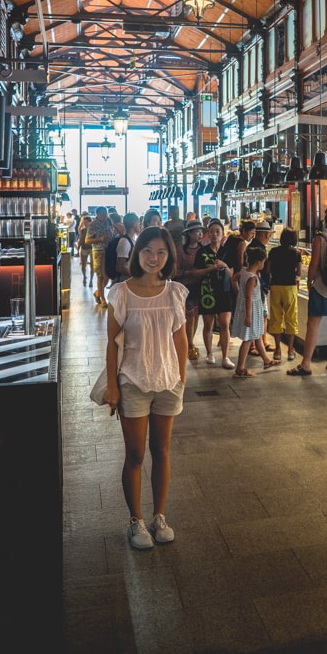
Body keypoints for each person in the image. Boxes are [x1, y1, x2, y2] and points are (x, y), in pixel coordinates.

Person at [102, 225, 188, 550]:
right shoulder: (122, 293)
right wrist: (112, 385)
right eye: (148, 251)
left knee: (162, 452)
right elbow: (112, 343)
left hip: (167, 382)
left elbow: (179, 336)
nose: (154, 258)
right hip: (133, 381)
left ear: (169, 256)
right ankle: (135, 520)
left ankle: (159, 516)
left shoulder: (175, 291)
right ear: (138, 253)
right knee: (136, 454)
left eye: (161, 252)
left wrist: (181, 376)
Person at [287, 208, 327, 376]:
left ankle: (306, 363)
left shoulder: (319, 239)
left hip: (322, 289)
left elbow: (314, 265)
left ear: (325, 223)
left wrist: (309, 283)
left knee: (313, 326)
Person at [230, 244, 281, 377]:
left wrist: (237, 292)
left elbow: (233, 279)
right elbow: (248, 297)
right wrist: (248, 315)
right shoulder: (252, 278)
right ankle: (240, 368)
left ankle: (267, 360)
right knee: (248, 339)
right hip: (251, 311)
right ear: (259, 262)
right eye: (263, 261)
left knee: (257, 336)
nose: (264, 264)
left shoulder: (243, 271)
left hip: (249, 310)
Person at [193, 218, 235, 369]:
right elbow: (195, 273)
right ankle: (210, 353)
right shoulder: (202, 252)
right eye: (211, 232)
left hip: (224, 291)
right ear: (207, 234)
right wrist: (209, 269)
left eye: (217, 231)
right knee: (208, 324)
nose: (214, 234)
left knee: (225, 324)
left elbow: (233, 274)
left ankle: (225, 357)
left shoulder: (227, 252)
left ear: (223, 234)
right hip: (207, 292)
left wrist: (224, 266)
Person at [266, 227, 302, 362]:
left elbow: (268, 269)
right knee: (291, 318)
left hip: (275, 286)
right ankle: (291, 350)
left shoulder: (274, 251)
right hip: (290, 288)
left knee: (276, 318)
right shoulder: (296, 252)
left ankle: (277, 350)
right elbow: (298, 273)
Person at [174, 219, 204, 361]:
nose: (200, 234)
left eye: (201, 232)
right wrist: (190, 272)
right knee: (189, 316)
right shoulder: (181, 250)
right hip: (185, 287)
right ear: (190, 234)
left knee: (197, 315)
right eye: (197, 231)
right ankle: (189, 345)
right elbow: (175, 272)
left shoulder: (203, 249)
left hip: (200, 286)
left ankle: (190, 343)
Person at [248, 220, 274, 353]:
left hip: (261, 286)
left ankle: (263, 342)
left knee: (263, 314)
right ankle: (253, 345)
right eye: (268, 235)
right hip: (258, 286)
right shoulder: (257, 248)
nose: (269, 238)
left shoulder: (256, 246)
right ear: (263, 234)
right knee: (257, 316)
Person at [86, 206, 114, 307]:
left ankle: (98, 293)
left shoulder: (108, 222)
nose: (104, 215)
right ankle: (103, 299)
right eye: (102, 213)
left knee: (107, 275)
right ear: (98, 214)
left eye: (105, 213)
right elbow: (87, 240)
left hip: (109, 250)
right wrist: (100, 239)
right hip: (98, 251)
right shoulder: (93, 224)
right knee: (101, 276)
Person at [114, 212, 141, 283]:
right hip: (125, 280)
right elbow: (120, 267)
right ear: (134, 224)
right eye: (138, 223)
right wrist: (135, 275)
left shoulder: (132, 240)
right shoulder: (124, 242)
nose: (140, 225)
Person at [77, 213, 93, 286]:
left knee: (92, 265)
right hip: (84, 248)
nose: (85, 224)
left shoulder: (94, 230)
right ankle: (84, 277)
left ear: (90, 222)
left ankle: (91, 280)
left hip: (92, 248)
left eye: (86, 222)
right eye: (84, 222)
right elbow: (80, 239)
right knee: (83, 265)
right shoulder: (82, 230)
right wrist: (78, 248)